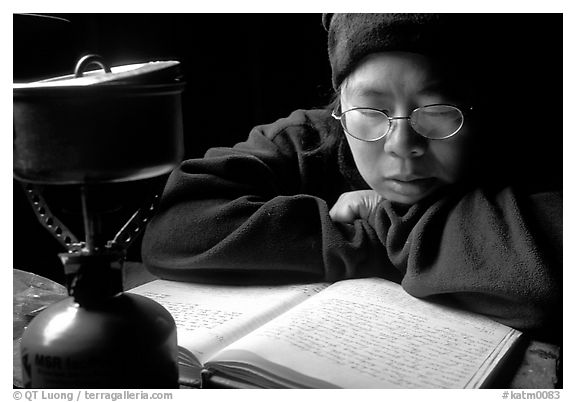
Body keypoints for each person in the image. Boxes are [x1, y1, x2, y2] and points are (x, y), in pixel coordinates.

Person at [141, 14, 562, 343]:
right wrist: (359, 238)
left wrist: (387, 222)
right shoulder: (307, 139)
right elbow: (177, 226)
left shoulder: (526, 148)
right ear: (340, 107)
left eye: (436, 109)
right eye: (371, 111)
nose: (401, 144)